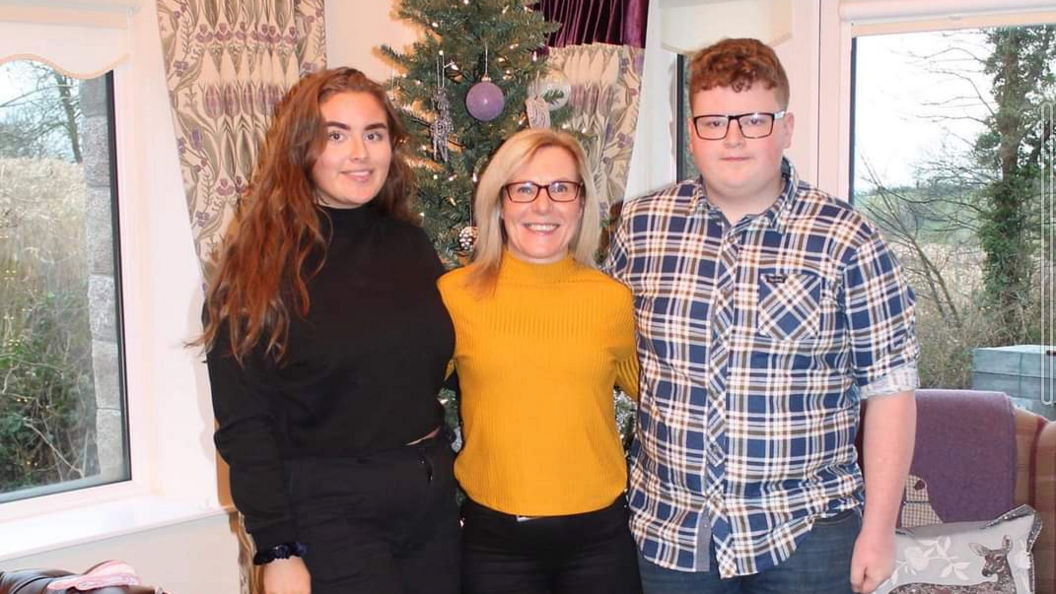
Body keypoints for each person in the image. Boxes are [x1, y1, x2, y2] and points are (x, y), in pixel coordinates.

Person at [606, 38, 919, 594]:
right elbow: (599, 353)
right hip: (672, 535)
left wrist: (878, 530)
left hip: (808, 533)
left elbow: (890, 391)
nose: (732, 138)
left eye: (753, 119)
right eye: (714, 121)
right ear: (690, 130)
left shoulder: (847, 239)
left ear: (786, 128)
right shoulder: (639, 226)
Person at [200, 67, 458, 594]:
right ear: (301, 148)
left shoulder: (409, 245)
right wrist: (277, 550)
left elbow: (439, 365)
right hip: (331, 511)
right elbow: (246, 425)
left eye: (374, 134)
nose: (359, 153)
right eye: (335, 135)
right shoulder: (256, 270)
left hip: (430, 494)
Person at [438, 128, 642, 594]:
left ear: (581, 202)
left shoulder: (613, 301)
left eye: (561, 188)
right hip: (495, 547)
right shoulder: (454, 296)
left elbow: (661, 397)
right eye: (524, 188)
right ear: (499, 201)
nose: (543, 206)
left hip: (600, 542)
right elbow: (396, 395)